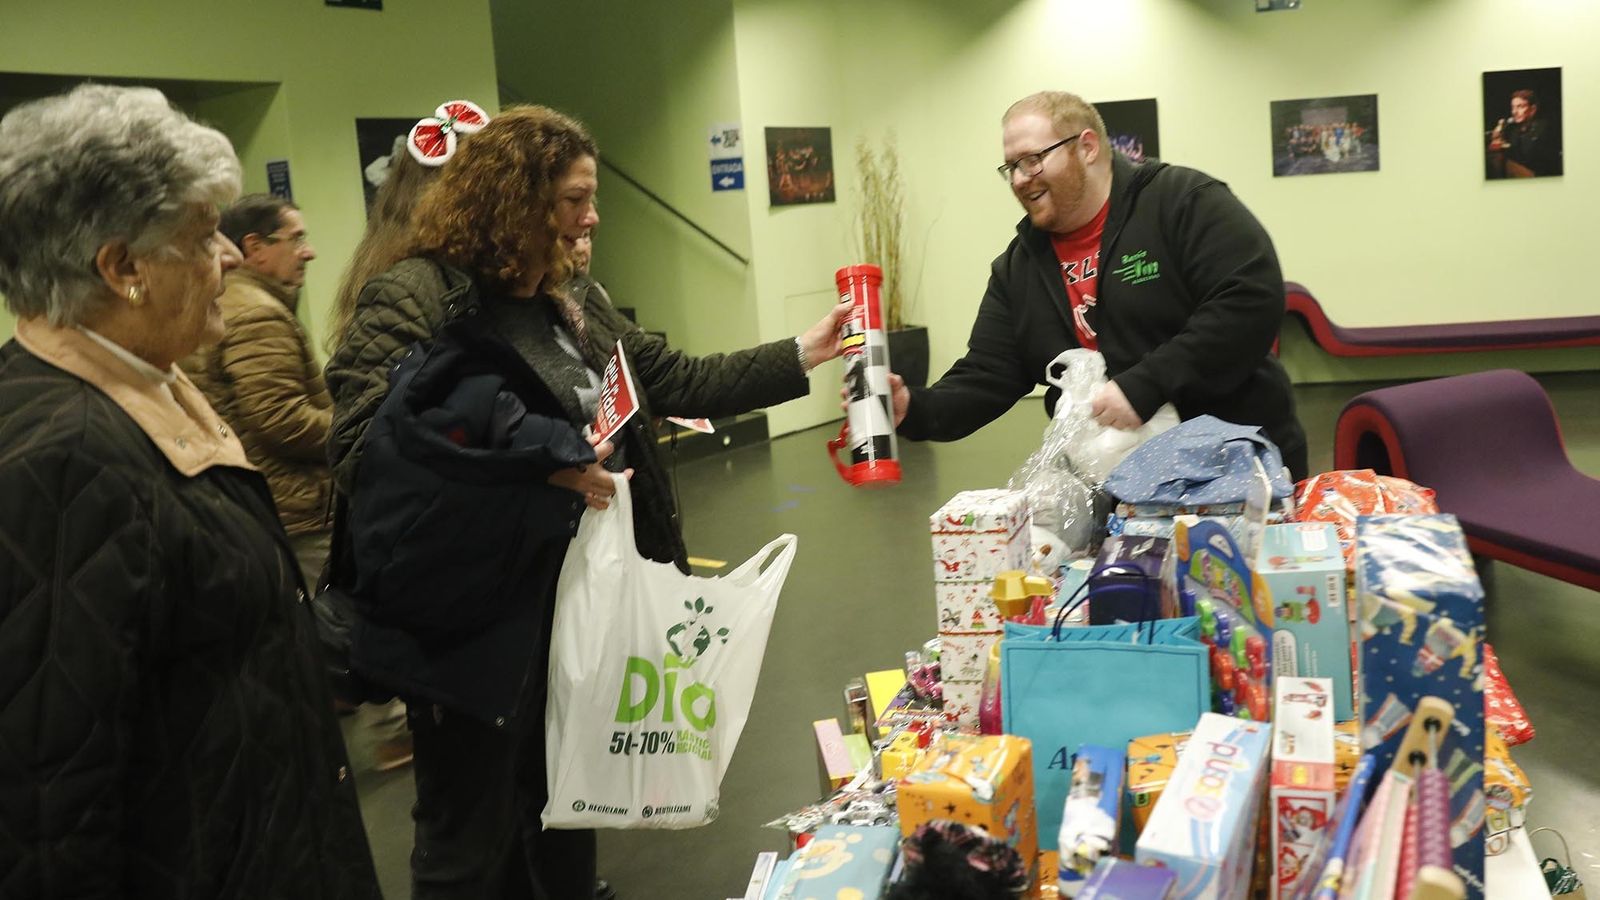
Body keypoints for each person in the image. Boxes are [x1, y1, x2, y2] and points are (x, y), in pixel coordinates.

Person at [325, 104, 853, 899]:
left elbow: (673, 379)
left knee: (568, 809)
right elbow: (366, 451)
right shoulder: (416, 296)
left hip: (577, 609)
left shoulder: (571, 300)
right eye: (575, 198)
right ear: (515, 199)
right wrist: (535, 465)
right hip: (467, 625)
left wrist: (799, 354)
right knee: (470, 840)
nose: (591, 215)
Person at [0, 83, 380, 898]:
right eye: (206, 236)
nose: (233, 256)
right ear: (123, 268)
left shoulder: (147, 384)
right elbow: (48, 802)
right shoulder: (63, 459)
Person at [891, 90, 1307, 481]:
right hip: (1117, 487)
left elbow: (1250, 300)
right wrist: (913, 408)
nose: (1019, 179)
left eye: (1033, 159)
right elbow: (986, 375)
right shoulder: (1018, 269)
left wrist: (1145, 384)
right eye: (1012, 167)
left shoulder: (1182, 201)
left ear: (1086, 147)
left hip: (1235, 468)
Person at [179, 194, 328, 587]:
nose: (308, 252)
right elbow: (282, 420)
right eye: (295, 239)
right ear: (255, 248)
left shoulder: (223, 302)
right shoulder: (258, 313)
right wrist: (361, 426)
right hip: (295, 510)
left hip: (257, 504)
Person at [1488, 89, 1559, 178]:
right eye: (1513, 107)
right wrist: (1497, 138)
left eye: (1520, 107)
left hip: (1540, 177)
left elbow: (1529, 156)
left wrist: (1505, 147)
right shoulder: (1515, 130)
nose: (1514, 112)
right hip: (1522, 174)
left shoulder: (1543, 128)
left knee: (1496, 158)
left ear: (1533, 109)